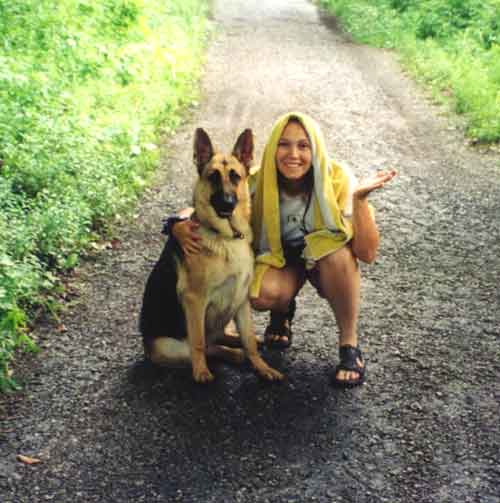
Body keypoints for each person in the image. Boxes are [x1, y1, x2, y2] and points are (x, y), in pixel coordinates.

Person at [169, 112, 396, 387]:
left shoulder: (336, 178)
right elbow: (201, 206)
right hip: (283, 262)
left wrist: (359, 200)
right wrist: (176, 225)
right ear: (272, 147)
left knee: (339, 256)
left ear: (316, 148)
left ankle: (349, 345)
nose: (293, 154)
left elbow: (367, 253)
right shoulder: (254, 180)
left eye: (303, 145)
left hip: (322, 262)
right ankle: (282, 312)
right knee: (259, 291)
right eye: (284, 144)